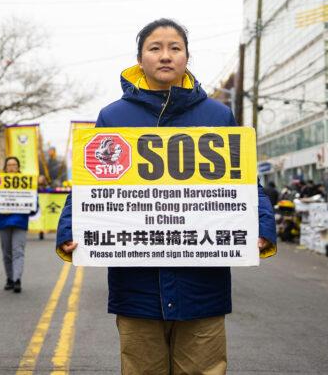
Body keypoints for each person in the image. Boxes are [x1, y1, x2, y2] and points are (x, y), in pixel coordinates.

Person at [55, 19, 277, 374]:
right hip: (136, 286)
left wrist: (262, 225)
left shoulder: (218, 116)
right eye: (155, 48)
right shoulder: (113, 117)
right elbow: (89, 183)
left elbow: (244, 180)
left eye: (175, 48)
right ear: (140, 58)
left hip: (202, 285)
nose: (165, 56)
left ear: (187, 56)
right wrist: (70, 230)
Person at [0, 157, 29, 293]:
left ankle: (17, 279)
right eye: (9, 165)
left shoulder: (27, 183)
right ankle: (10, 278)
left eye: (14, 165)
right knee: (7, 253)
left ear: (18, 167)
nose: (11, 167)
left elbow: (34, 204)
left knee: (18, 251)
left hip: (20, 221)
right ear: (5, 167)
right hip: (3, 222)